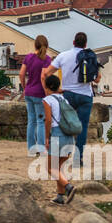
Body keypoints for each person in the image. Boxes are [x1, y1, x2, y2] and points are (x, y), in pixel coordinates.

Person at [52, 32, 99, 165]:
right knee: (82, 127)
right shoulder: (89, 56)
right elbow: (97, 78)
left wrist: (55, 89)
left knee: (65, 125)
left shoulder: (63, 56)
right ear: (85, 44)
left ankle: (63, 156)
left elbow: (48, 72)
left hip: (67, 95)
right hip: (85, 95)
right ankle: (78, 159)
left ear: (73, 42)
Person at [42, 73, 77, 205]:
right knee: (58, 168)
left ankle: (68, 187)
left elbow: (48, 120)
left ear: (48, 87)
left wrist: (46, 137)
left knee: (50, 168)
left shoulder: (47, 100)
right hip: (68, 136)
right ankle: (60, 196)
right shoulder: (64, 100)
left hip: (57, 135)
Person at [18, 35, 53, 156]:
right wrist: (47, 93)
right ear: (47, 46)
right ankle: (42, 148)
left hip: (29, 92)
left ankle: (31, 150)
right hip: (40, 94)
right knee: (41, 122)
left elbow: (21, 74)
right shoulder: (47, 59)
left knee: (31, 121)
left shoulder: (28, 57)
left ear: (35, 45)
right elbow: (44, 76)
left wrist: (24, 87)